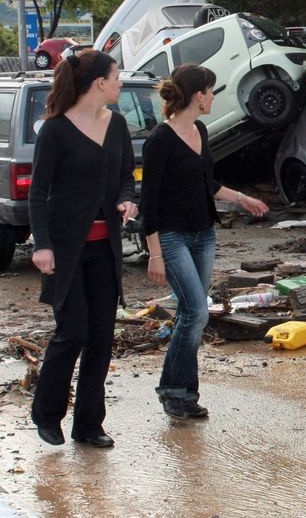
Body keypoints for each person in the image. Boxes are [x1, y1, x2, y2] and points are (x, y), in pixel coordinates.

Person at [141, 64, 268, 421]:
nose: (214, 97)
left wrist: (242, 199)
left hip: (203, 234)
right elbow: (148, 202)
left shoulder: (199, 129)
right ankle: (175, 392)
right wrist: (154, 254)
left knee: (190, 314)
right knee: (196, 311)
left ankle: (179, 393)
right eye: (212, 91)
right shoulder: (160, 140)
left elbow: (206, 183)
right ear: (199, 96)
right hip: (171, 236)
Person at [28, 49, 139, 448]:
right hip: (66, 251)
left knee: (101, 338)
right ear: (99, 83)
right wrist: (42, 245)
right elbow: (38, 194)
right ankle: (46, 413)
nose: (120, 82)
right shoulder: (56, 130)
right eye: (116, 76)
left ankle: (90, 425)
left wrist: (128, 199)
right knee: (72, 332)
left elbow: (127, 175)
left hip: (104, 250)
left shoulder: (118, 124)